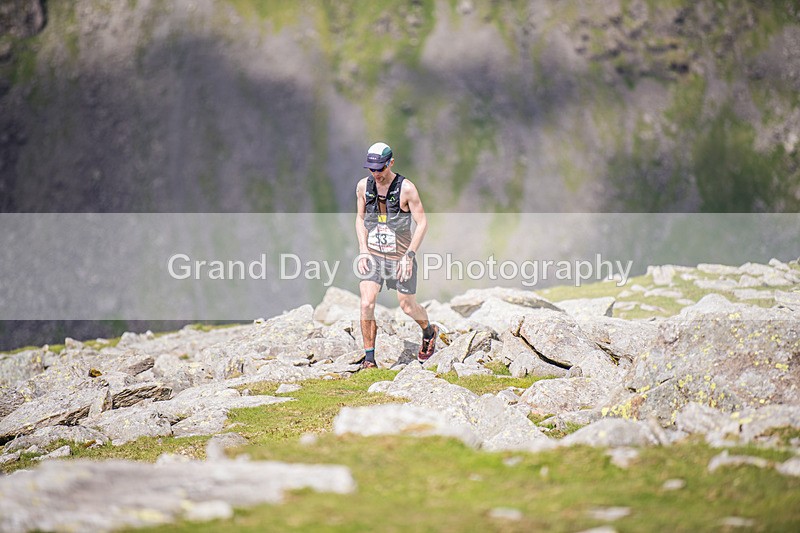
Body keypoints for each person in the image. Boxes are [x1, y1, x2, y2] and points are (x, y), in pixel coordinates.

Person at [355, 141, 439, 369]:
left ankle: (429, 331)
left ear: (390, 163)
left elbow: (422, 223)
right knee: (366, 304)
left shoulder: (407, 189)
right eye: (372, 169)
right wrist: (363, 250)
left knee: (407, 306)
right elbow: (360, 219)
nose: (376, 174)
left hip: (401, 259)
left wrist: (409, 256)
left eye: (380, 168)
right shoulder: (363, 187)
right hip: (373, 256)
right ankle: (369, 360)